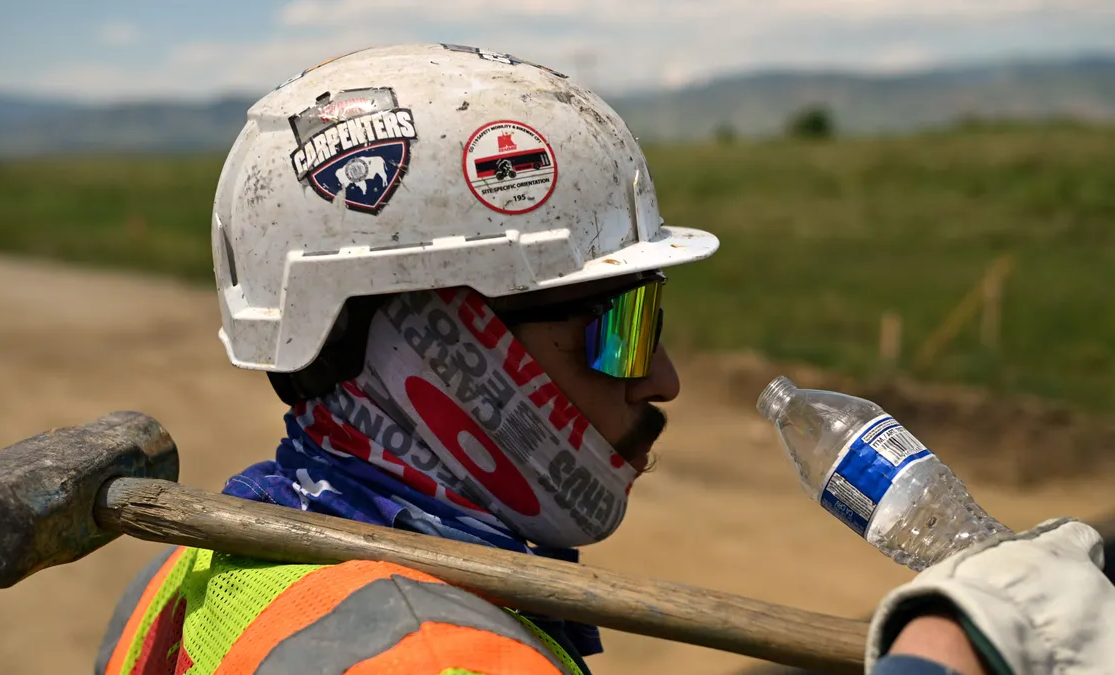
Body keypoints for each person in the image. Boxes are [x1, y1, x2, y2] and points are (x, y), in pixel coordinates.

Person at [94, 44, 1115, 675]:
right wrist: (960, 644)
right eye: (616, 326)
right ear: (431, 346)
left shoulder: (216, 551)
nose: (662, 380)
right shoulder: (443, 658)